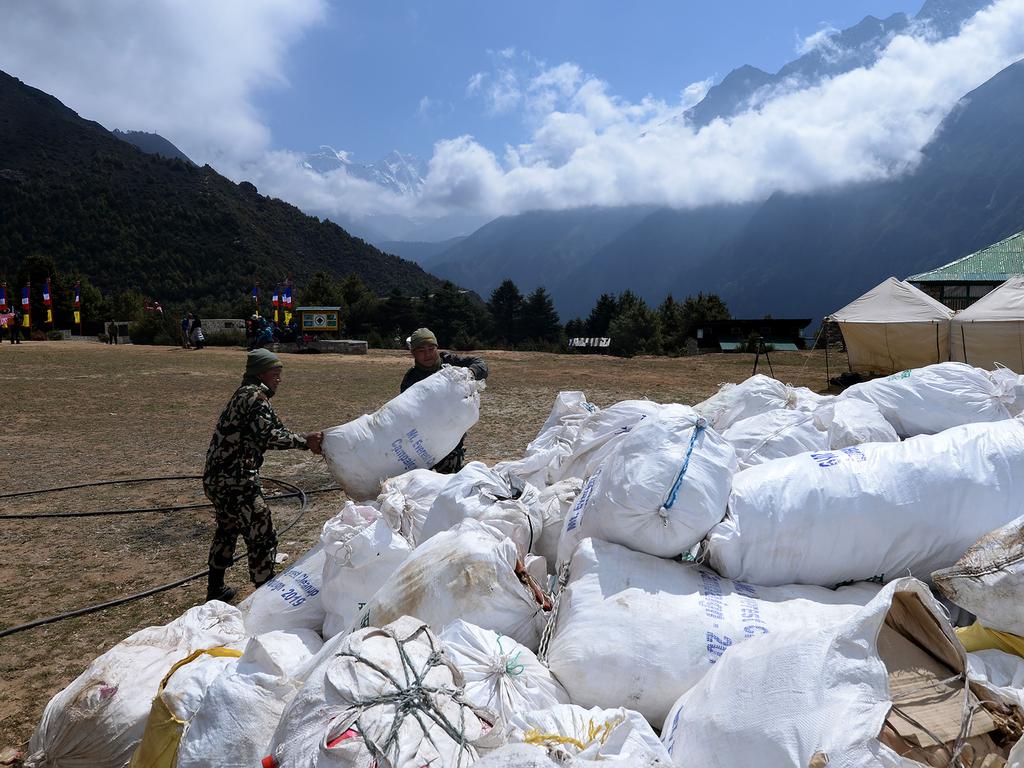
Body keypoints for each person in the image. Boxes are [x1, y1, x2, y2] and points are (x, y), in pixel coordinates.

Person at [202, 348, 323, 602]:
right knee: (262, 533)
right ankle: (265, 595)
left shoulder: (247, 394)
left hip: (217, 478)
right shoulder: (255, 398)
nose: (279, 379)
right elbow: (269, 436)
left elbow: (275, 427)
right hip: (236, 481)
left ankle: (215, 589)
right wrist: (305, 441)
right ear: (260, 373)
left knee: (227, 528)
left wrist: (305, 438)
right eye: (274, 373)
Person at [400, 327, 488, 474]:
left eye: (431, 348)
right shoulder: (411, 380)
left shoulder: (450, 362)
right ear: (413, 353)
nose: (427, 354)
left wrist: (469, 373)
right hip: (425, 438)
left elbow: (481, 364)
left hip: (452, 432)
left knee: (449, 476)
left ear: (437, 348)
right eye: (421, 350)